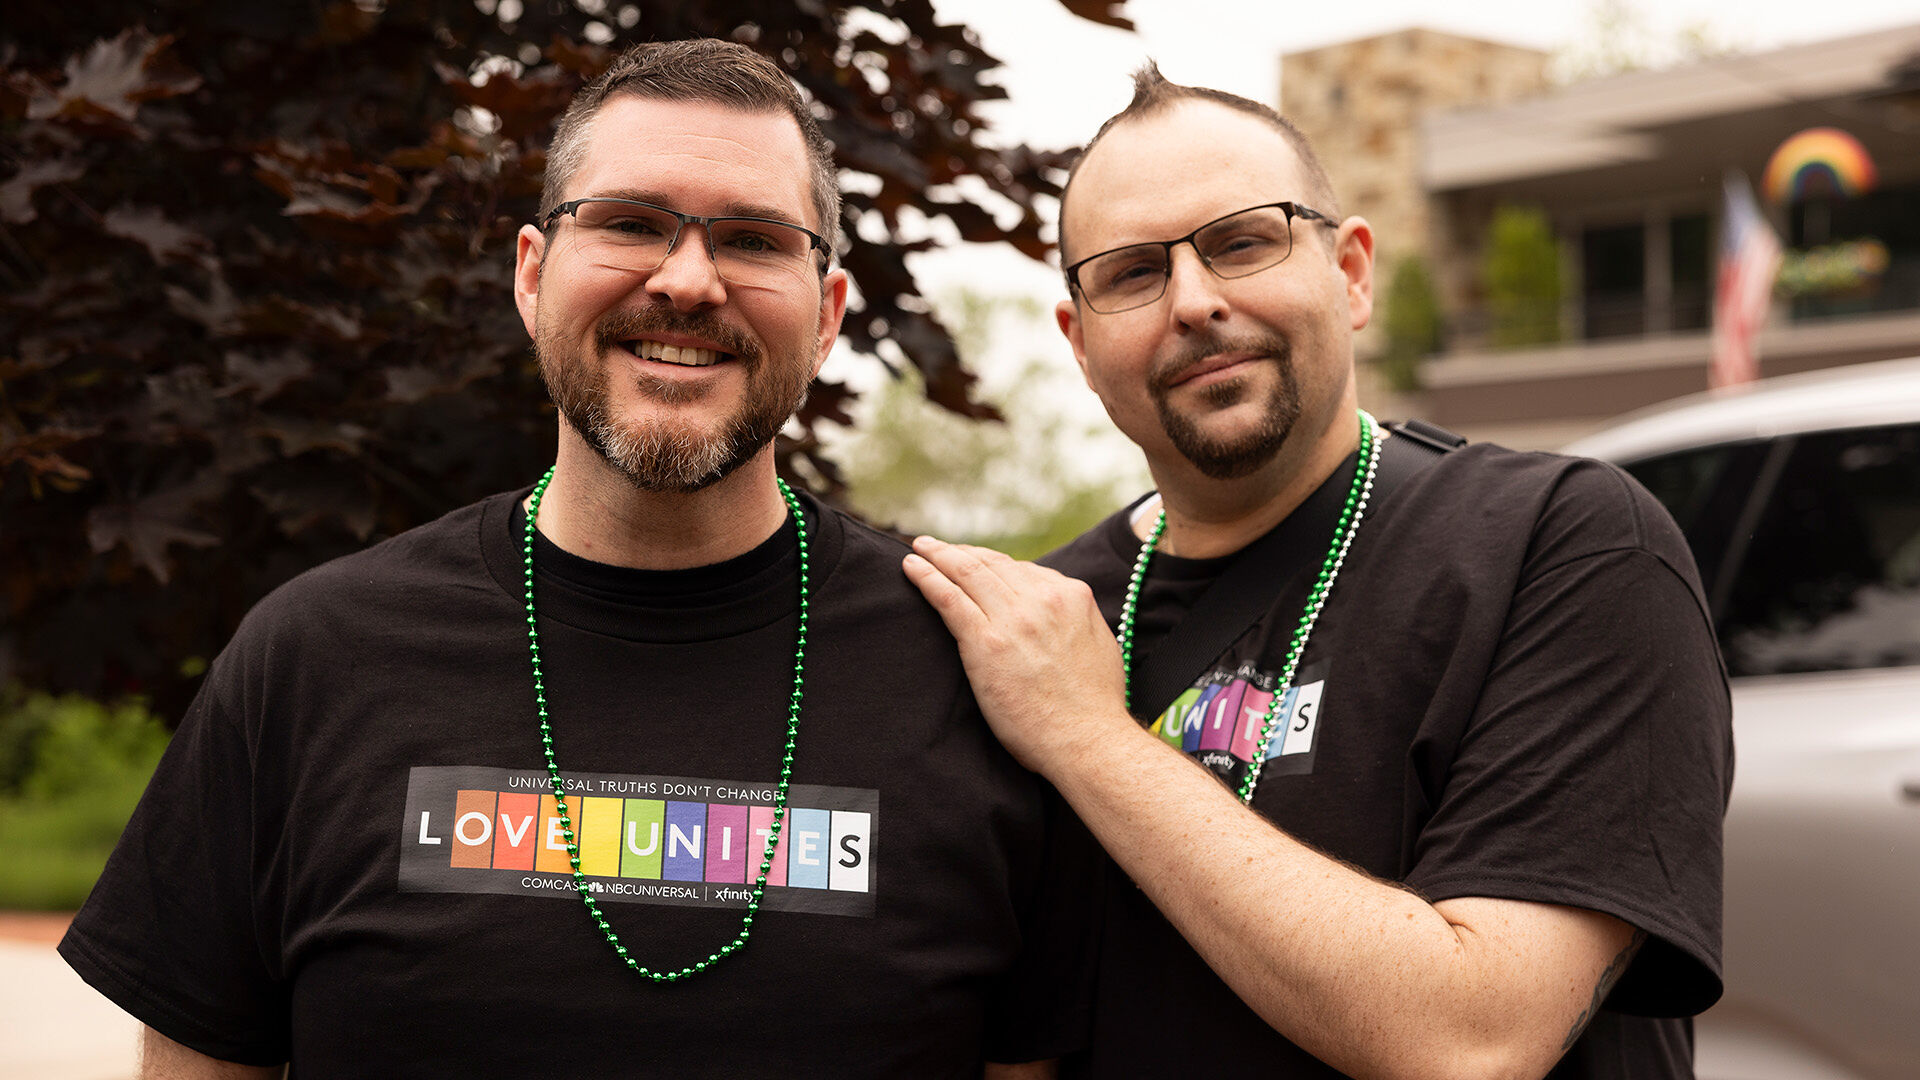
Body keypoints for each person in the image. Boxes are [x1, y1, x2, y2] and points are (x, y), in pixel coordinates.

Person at [60, 39, 1087, 1079]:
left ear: (824, 319)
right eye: (632, 224)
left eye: (753, 239)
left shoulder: (978, 671)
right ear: (532, 276)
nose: (688, 282)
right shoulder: (313, 658)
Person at [903, 66, 1731, 1080]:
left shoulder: (1564, 545)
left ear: (1352, 273)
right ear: (1079, 343)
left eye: (1243, 241)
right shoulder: (1033, 631)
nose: (1195, 302)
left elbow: (1476, 1039)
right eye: (1131, 273)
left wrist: (1085, 736)